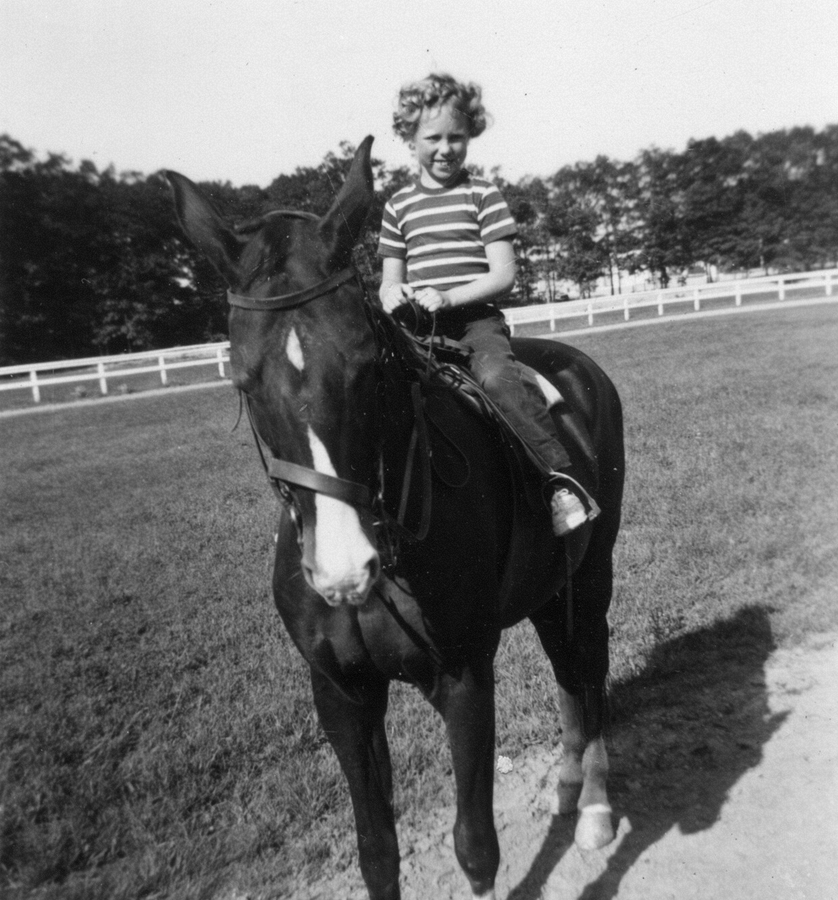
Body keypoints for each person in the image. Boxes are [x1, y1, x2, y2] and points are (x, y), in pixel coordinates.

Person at [377, 73, 597, 536]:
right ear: (409, 139)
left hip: (474, 323)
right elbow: (388, 282)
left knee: (497, 378)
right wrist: (392, 294)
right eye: (432, 137)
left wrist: (450, 296)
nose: (445, 148)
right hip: (420, 330)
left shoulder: (483, 195)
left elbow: (504, 273)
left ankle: (559, 480)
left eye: (456, 137)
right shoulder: (397, 206)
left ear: (470, 136)